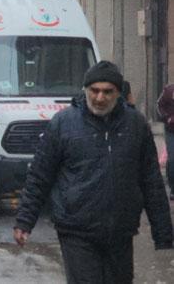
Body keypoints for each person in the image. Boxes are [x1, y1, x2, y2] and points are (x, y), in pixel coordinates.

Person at [14, 61, 173, 283]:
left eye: (108, 92)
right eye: (95, 91)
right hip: (76, 229)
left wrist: (163, 231)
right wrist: (24, 220)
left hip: (120, 230)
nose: (100, 98)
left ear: (118, 93)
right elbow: (40, 175)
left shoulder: (135, 125)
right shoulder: (63, 123)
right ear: (85, 90)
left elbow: (150, 180)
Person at [157, 83, 174, 201]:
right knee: (172, 158)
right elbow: (158, 105)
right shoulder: (168, 90)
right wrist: (167, 117)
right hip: (171, 130)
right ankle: (173, 187)